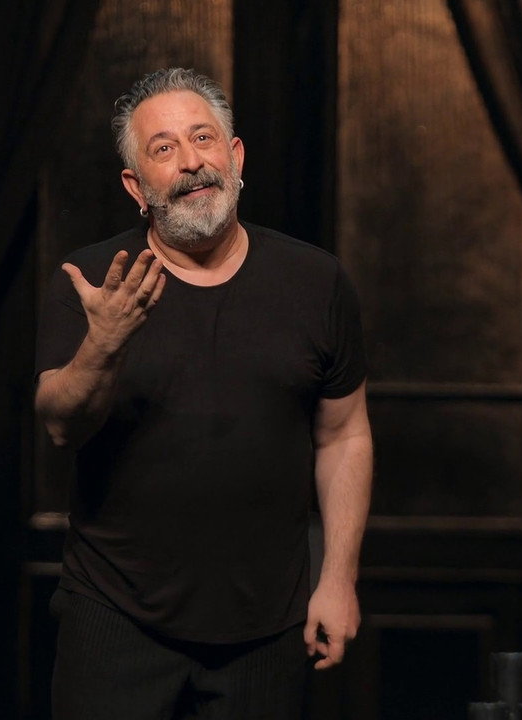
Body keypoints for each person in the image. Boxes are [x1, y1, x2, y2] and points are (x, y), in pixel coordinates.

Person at [34, 67, 374, 720]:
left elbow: (345, 434)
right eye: (164, 148)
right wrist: (103, 343)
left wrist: (338, 579)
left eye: (203, 138)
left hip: (268, 625)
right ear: (136, 186)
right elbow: (58, 424)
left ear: (235, 156)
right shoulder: (95, 282)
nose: (191, 162)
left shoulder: (316, 281)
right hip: (116, 615)